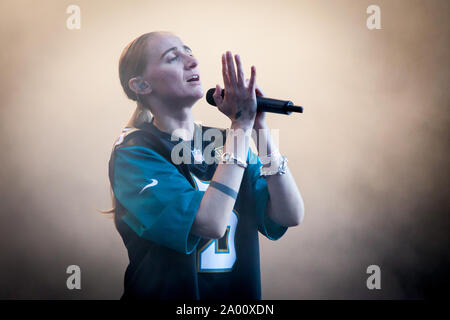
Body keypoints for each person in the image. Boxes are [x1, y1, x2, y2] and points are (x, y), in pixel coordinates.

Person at [107, 31, 305, 300]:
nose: (192, 61)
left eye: (188, 51)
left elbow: (290, 214)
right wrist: (240, 126)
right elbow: (210, 223)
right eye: (173, 58)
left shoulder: (225, 140)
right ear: (141, 85)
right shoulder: (135, 152)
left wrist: (258, 128)